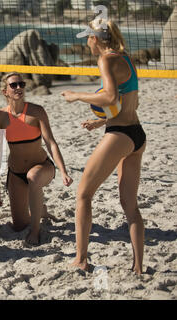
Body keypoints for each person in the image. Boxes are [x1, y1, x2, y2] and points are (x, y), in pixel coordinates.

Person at [61, 19, 146, 274]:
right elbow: (129, 104)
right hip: (137, 134)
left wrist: (77, 96)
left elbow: (109, 96)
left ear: (95, 38)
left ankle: (81, 259)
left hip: (120, 136)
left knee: (84, 194)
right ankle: (139, 267)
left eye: (88, 37)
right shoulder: (126, 59)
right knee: (130, 206)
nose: (86, 42)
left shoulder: (106, 60)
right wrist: (102, 121)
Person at [0, 72, 73, 245]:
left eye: (21, 84)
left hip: (42, 167)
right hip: (15, 173)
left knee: (33, 177)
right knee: (19, 225)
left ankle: (36, 231)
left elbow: (51, 143)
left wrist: (63, 171)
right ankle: (40, 211)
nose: (19, 88)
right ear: (5, 91)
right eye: (13, 85)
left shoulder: (36, 111)